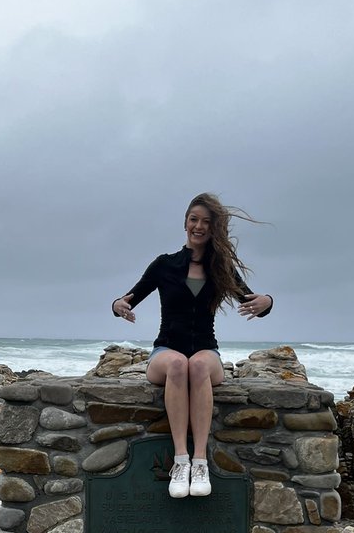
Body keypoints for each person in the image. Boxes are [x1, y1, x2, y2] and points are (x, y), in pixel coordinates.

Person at [111, 192, 273, 498]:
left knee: (196, 364)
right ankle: (181, 460)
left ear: (214, 228)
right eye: (193, 219)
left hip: (206, 352)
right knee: (178, 363)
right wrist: (118, 305)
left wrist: (268, 301)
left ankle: (200, 462)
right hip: (165, 352)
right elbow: (128, 298)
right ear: (185, 223)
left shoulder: (221, 268)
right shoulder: (164, 264)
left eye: (206, 221)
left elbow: (254, 300)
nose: (198, 226)